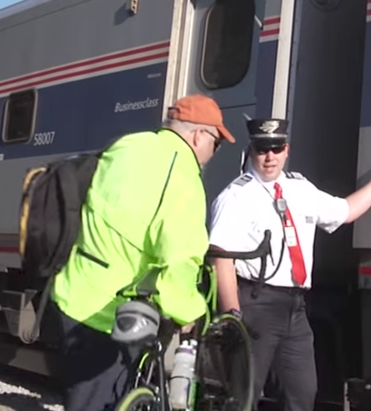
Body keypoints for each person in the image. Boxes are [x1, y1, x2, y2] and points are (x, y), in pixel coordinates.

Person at [50, 94, 235, 411]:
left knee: (81, 397)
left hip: (72, 292)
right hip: (109, 313)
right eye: (216, 143)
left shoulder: (128, 146)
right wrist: (188, 312)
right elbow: (181, 256)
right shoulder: (183, 176)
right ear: (197, 135)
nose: (213, 153)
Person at [207, 118, 371, 411]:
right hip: (256, 305)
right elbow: (222, 257)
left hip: (295, 310)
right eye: (262, 149)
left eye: (276, 148)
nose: (269, 157)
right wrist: (233, 314)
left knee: (303, 394)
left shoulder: (300, 188)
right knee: (243, 397)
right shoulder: (236, 196)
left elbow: (344, 212)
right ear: (251, 151)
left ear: (286, 150)